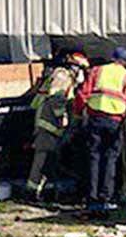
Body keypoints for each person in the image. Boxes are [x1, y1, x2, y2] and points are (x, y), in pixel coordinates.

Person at [74, 46, 126, 215]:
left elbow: (82, 94)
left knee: (94, 157)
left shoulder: (97, 71)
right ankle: (105, 198)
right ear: (125, 62)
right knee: (110, 160)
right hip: (114, 122)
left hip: (95, 119)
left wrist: (78, 113)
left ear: (111, 58)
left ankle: (91, 198)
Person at [25, 52, 89, 201]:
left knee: (50, 160)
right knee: (42, 158)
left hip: (53, 126)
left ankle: (46, 191)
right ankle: (32, 192)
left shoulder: (69, 79)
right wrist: (62, 116)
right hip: (48, 124)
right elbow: (56, 98)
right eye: (82, 70)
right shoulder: (62, 76)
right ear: (75, 67)